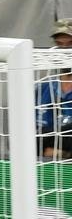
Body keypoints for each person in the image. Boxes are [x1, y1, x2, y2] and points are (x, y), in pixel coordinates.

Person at [37, 20, 72, 159]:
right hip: (43, 165)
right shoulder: (44, 88)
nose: (64, 51)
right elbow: (27, 136)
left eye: (70, 44)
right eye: (60, 45)